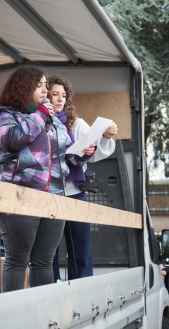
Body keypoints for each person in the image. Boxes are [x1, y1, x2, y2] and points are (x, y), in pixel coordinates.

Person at [0, 66, 96, 292]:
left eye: (45, 85)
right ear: (24, 87)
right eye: (39, 85)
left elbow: (67, 157)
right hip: (21, 197)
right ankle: (15, 318)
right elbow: (11, 140)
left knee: (44, 262)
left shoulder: (53, 120)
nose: (45, 90)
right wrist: (39, 115)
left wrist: (84, 152)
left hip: (54, 198)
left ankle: (42, 318)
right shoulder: (6, 114)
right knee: (17, 261)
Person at [48, 75, 118, 281]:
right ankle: (48, 291)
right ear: (45, 96)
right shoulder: (38, 122)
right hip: (48, 194)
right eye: (55, 94)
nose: (60, 99)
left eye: (64, 95)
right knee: (47, 251)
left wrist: (105, 137)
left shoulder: (76, 124)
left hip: (75, 194)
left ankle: (82, 293)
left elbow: (95, 153)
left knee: (81, 249)